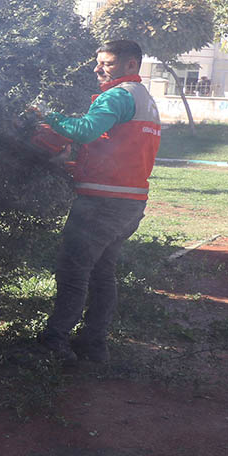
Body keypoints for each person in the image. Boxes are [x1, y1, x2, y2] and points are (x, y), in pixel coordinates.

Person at [36, 39, 160, 364]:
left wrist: (47, 115)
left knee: (73, 270)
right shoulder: (143, 98)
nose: (97, 69)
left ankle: (55, 342)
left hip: (102, 205)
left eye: (106, 63)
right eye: (98, 62)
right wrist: (75, 166)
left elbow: (88, 131)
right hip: (128, 203)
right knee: (102, 273)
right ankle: (93, 346)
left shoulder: (118, 95)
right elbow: (123, 156)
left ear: (131, 65)